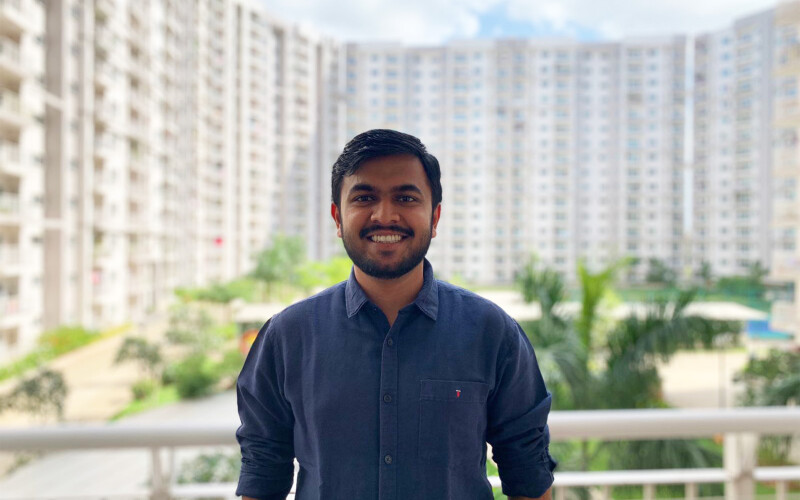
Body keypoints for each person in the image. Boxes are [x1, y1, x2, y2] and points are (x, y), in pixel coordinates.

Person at [236, 129, 557, 500]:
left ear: (434, 217)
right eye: (365, 197)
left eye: (405, 197)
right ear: (337, 217)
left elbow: (528, 473)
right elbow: (263, 474)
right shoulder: (286, 337)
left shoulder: (492, 333)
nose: (385, 215)